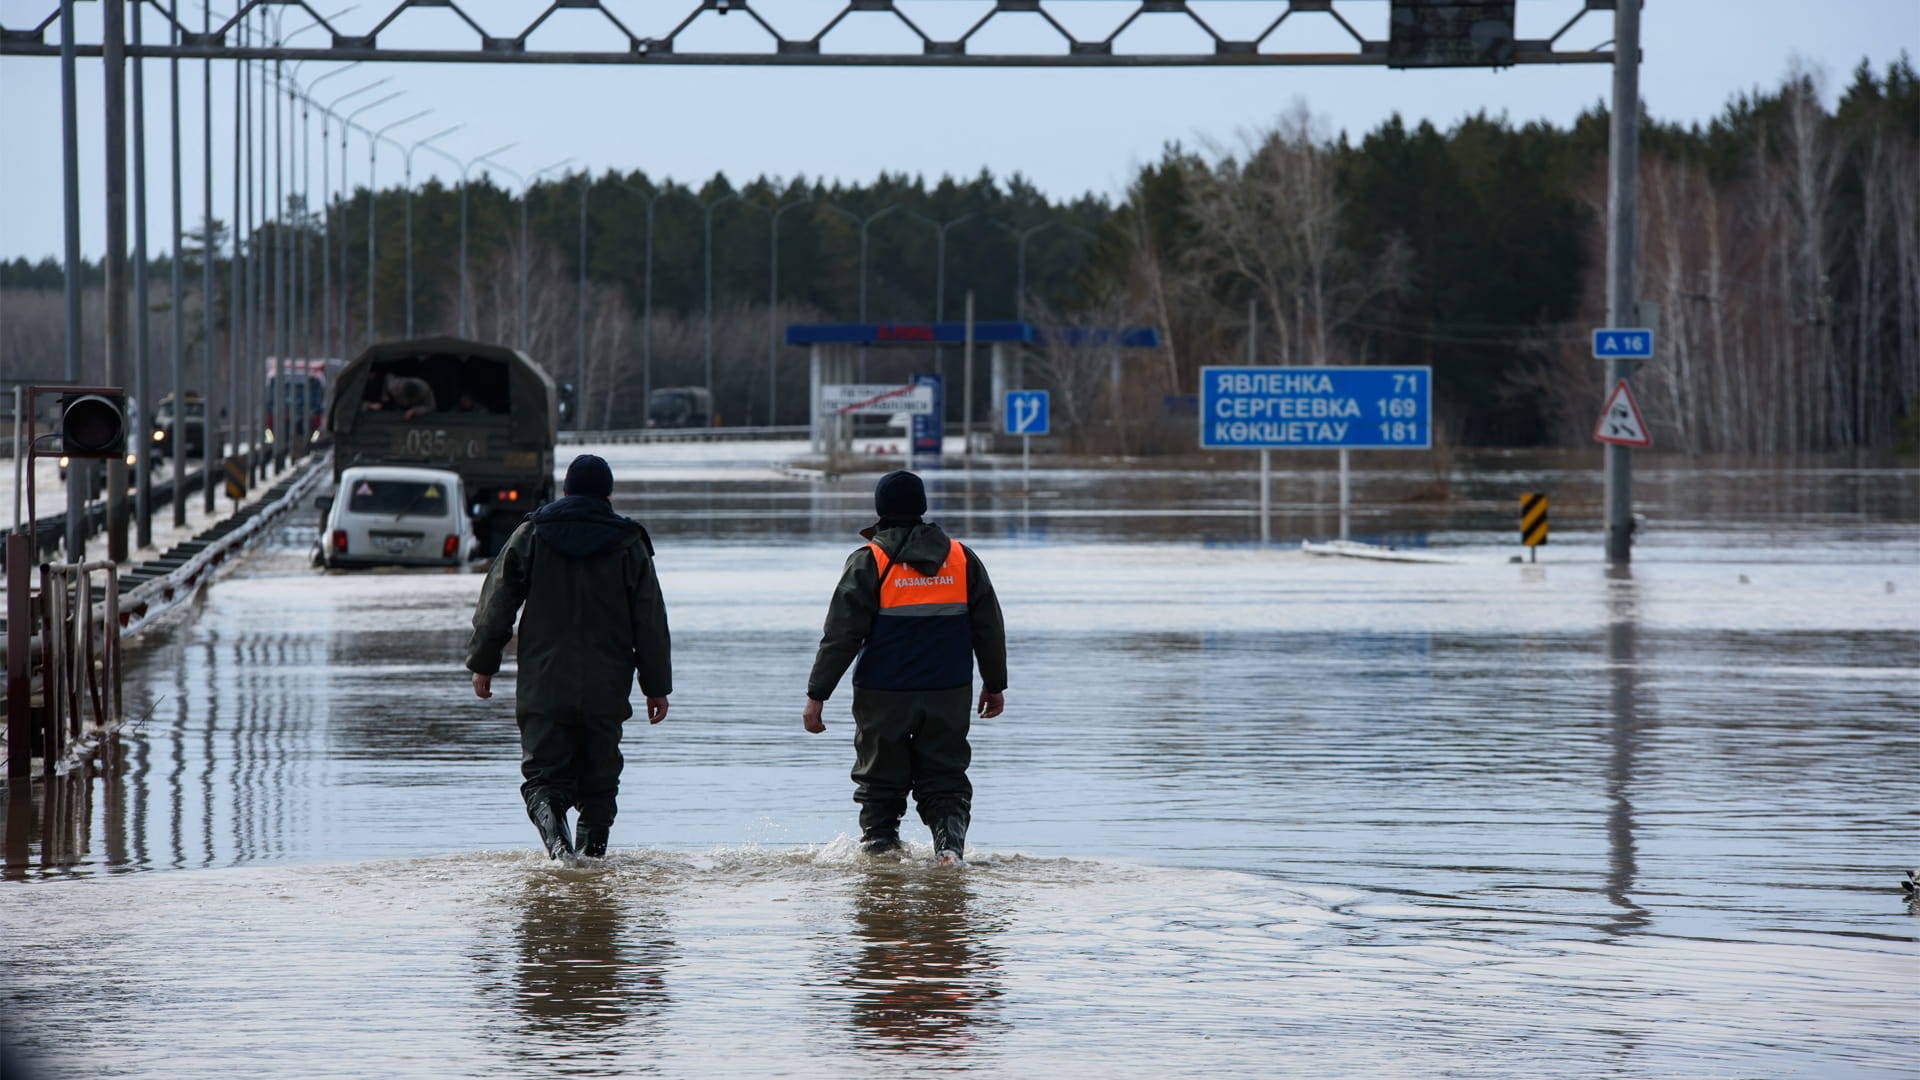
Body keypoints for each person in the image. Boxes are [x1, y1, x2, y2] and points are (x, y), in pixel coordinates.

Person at [467, 454, 671, 859]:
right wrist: (656, 687)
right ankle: (591, 865)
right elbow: (649, 620)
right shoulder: (629, 543)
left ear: (565, 491)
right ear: (608, 494)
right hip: (606, 686)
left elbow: (497, 604)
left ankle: (560, 853)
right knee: (599, 787)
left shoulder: (532, 535)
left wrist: (483, 663)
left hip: (544, 685)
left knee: (543, 780)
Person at [802, 470, 1007, 863]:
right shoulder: (963, 559)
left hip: (884, 694)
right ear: (922, 507)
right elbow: (989, 628)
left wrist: (817, 695)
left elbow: (840, 636)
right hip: (948, 691)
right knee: (945, 780)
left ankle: (881, 859)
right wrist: (994, 683)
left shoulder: (870, 562)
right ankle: (949, 850)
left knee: (879, 783)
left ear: (880, 510)